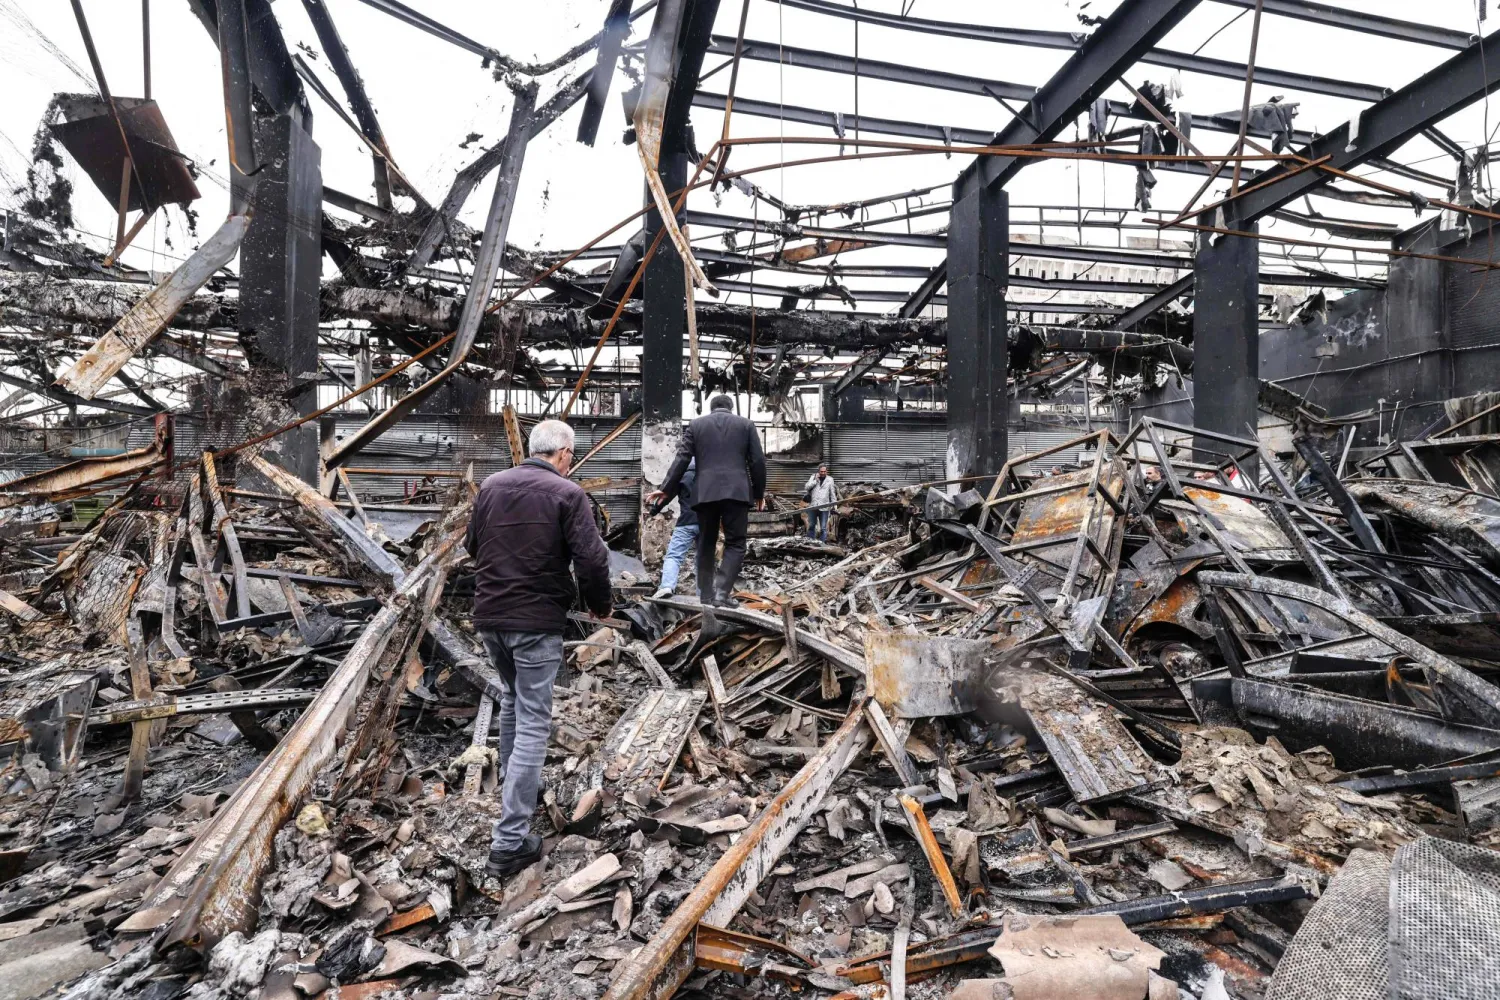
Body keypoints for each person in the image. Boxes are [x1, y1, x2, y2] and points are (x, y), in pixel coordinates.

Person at [466, 419, 611, 877]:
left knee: (511, 701)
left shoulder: (491, 486)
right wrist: (600, 606)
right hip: (535, 623)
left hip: (491, 618)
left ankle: (513, 791)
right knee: (533, 721)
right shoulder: (568, 494)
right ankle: (509, 842)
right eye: (573, 455)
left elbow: (474, 546)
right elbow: (592, 558)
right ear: (564, 453)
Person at [647, 395, 766, 607]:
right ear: (730, 408)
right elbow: (757, 460)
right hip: (736, 493)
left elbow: (682, 458)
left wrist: (665, 489)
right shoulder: (746, 425)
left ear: (712, 409)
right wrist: (759, 492)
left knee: (706, 545)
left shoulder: (696, 425)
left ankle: (706, 597)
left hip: (705, 493)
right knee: (736, 543)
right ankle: (722, 593)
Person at [653, 459, 698, 599]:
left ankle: (667, 586)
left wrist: (654, 510)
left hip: (686, 522)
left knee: (674, 556)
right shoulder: (711, 474)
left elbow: (666, 495)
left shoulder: (681, 475)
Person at [803, 465, 838, 541]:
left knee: (823, 528)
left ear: (826, 471)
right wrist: (815, 481)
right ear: (819, 471)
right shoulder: (813, 477)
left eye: (824, 471)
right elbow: (806, 487)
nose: (823, 473)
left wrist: (834, 505)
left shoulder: (830, 479)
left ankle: (822, 544)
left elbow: (832, 493)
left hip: (824, 506)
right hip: (813, 506)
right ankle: (810, 542)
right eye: (821, 471)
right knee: (811, 525)